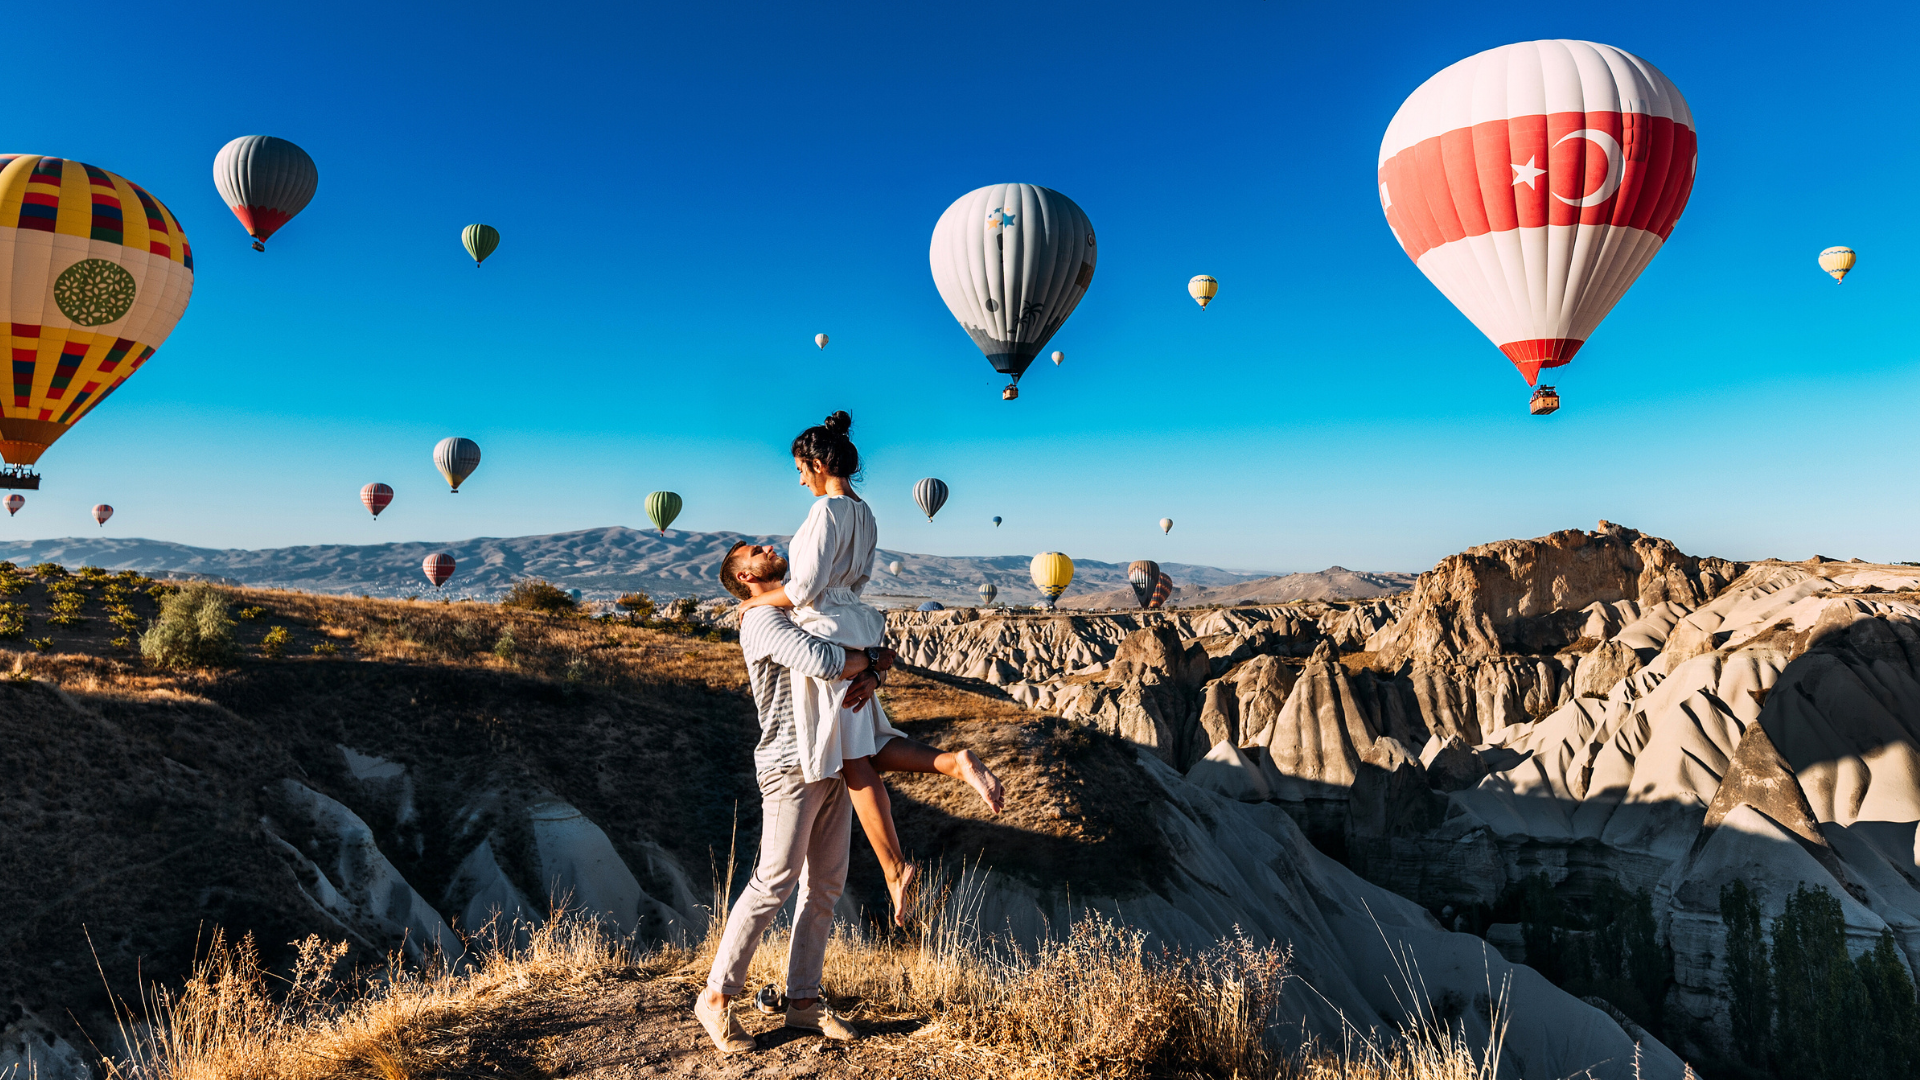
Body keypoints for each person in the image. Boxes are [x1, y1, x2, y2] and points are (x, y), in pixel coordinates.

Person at [726, 412, 1004, 927]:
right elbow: (858, 580)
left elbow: (806, 588)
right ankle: (950, 766)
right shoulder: (864, 511)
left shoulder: (822, 514)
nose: (800, 478)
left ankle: (896, 868)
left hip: (827, 629)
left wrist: (753, 605)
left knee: (856, 759)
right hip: (859, 622)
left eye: (799, 468)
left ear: (815, 461)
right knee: (865, 749)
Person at [696, 546, 885, 1053]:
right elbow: (823, 660)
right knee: (773, 882)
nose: (767, 546)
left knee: (825, 885)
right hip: (789, 765)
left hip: (833, 758)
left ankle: (803, 1001)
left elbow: (864, 643)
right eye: (754, 551)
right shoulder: (759, 618)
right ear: (744, 576)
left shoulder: (803, 610)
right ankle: (716, 997)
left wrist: (871, 667)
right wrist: (869, 660)